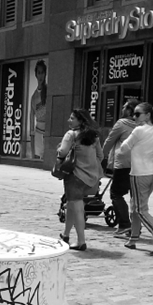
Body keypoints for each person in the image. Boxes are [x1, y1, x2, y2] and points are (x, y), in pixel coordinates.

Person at [120, 102, 153, 255]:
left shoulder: (139, 131)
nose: (134, 117)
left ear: (147, 115)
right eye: (133, 114)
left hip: (139, 173)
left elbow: (123, 149)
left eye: (137, 114)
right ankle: (133, 239)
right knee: (136, 206)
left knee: (140, 209)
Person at [56, 108, 103, 252]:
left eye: (72, 118)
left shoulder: (71, 135)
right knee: (71, 204)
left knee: (77, 208)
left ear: (80, 120)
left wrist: (59, 148)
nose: (69, 120)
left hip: (75, 176)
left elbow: (62, 152)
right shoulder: (93, 136)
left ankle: (81, 241)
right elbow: (100, 156)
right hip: (90, 178)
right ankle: (66, 234)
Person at [101, 99, 138, 237]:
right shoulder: (143, 126)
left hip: (123, 164)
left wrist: (101, 157)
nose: (122, 109)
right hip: (140, 165)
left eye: (124, 107)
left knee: (116, 193)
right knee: (136, 198)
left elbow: (109, 141)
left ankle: (124, 225)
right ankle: (135, 228)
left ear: (129, 110)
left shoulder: (121, 123)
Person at [29, 60, 48, 159]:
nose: (41, 76)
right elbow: (32, 116)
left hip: (48, 131)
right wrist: (31, 133)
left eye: (42, 72)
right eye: (39, 73)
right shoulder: (34, 96)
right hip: (38, 132)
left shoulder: (49, 91)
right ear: (36, 74)